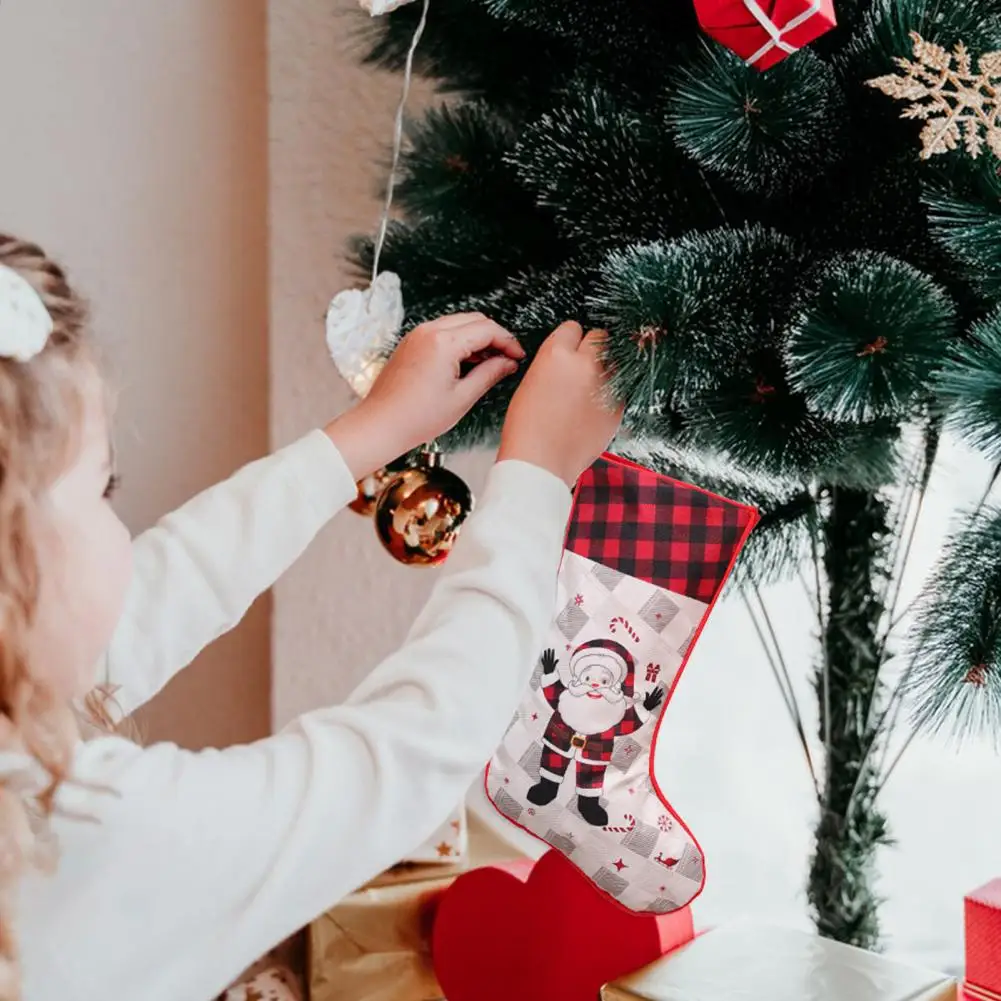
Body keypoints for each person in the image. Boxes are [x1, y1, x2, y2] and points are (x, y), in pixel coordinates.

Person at [0, 232, 622, 1001]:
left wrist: (367, 436)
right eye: (102, 488)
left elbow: (168, 585)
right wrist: (536, 476)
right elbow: (406, 753)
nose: (122, 529)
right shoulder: (80, 838)